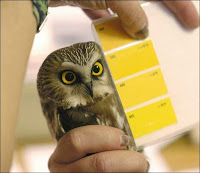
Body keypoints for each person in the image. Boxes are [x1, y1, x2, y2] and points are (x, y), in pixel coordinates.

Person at [2, 0, 199, 172]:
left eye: (96, 70)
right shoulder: (69, 114)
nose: (88, 83)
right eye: (69, 77)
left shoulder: (123, 90)